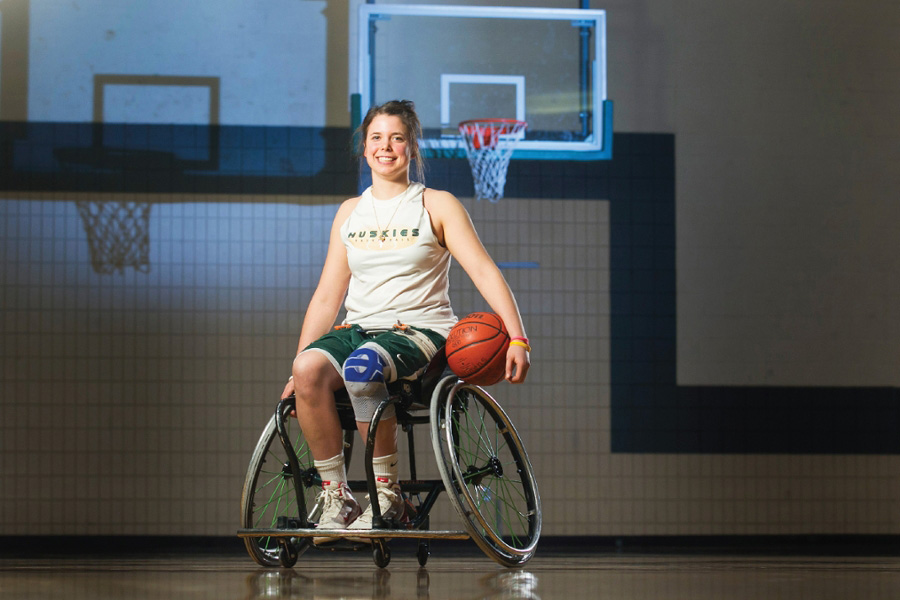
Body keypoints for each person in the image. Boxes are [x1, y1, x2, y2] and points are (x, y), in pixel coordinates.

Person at [282, 99, 530, 544]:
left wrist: (517, 338)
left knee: (361, 367)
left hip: (419, 331)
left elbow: (485, 270)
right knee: (307, 371)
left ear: (412, 147)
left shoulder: (436, 204)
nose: (386, 146)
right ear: (364, 148)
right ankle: (338, 499)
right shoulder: (349, 212)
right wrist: (297, 364)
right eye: (376, 137)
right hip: (359, 330)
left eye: (397, 137)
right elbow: (326, 296)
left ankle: (388, 495)